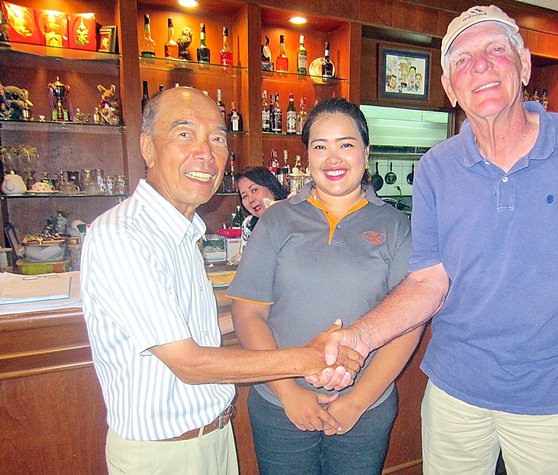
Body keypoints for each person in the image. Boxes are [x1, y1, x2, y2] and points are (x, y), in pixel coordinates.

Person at [315, 5, 558, 474]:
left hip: (557, 395)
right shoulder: (437, 166)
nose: (479, 65)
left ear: (523, 65)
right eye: (461, 59)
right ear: (449, 88)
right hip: (456, 392)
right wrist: (357, 336)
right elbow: (428, 283)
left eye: (495, 50)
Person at [80, 87, 363, 474]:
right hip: (163, 455)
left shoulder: (181, 232)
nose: (205, 152)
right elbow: (189, 363)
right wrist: (310, 357)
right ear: (148, 147)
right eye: (184, 134)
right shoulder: (123, 234)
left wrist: (276, 311)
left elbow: (192, 330)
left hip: (213, 438)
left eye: (216, 138)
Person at [227, 97, 422, 475]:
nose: (333, 158)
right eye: (321, 146)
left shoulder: (396, 226)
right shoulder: (277, 219)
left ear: (366, 153)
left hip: (366, 408)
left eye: (345, 145)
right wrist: (288, 392)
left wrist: (357, 402)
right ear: (308, 156)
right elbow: (248, 312)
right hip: (279, 404)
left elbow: (408, 324)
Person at [235, 166, 288, 249]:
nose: (251, 199)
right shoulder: (248, 224)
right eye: (244, 196)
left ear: (271, 188)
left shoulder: (292, 216)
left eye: (254, 190)